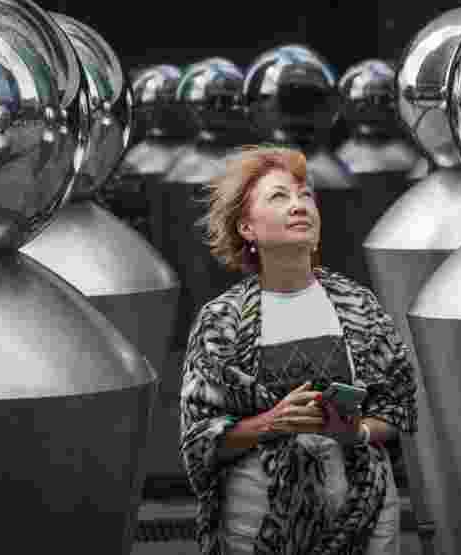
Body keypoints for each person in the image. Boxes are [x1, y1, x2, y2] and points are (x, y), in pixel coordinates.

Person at [179, 145, 419, 554]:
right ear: (246, 229)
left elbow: (397, 409)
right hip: (259, 520)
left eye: (306, 195)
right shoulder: (223, 320)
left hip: (364, 510)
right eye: (279, 197)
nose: (299, 205)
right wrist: (272, 421)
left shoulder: (358, 306)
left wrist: (355, 430)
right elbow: (199, 441)